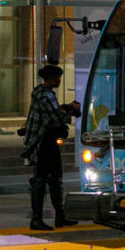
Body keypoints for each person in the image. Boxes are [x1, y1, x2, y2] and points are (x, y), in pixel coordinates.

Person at [22, 63, 78, 231]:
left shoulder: (41, 93)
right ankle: (37, 219)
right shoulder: (46, 96)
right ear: (52, 79)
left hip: (45, 141)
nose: (59, 80)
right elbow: (55, 116)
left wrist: (65, 109)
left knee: (53, 178)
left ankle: (60, 216)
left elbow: (53, 113)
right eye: (58, 77)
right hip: (44, 142)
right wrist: (71, 110)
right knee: (43, 180)